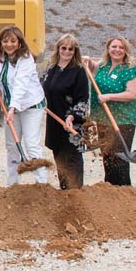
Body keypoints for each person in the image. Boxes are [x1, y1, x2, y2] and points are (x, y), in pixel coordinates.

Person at [0, 25, 49, 186]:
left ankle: (42, 184)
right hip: (10, 107)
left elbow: (20, 85)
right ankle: (13, 184)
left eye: (13, 41)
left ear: (19, 43)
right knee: (12, 146)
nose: (9, 44)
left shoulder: (26, 59)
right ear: (0, 43)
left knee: (31, 145)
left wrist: (12, 108)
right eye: (5, 41)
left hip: (30, 106)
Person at [88, 36, 136, 186]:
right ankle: (110, 191)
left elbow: (132, 94)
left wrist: (109, 96)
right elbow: (91, 67)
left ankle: (124, 192)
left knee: (119, 160)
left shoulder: (130, 70)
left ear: (126, 51)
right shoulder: (103, 66)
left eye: (121, 47)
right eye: (114, 47)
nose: (117, 50)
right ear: (108, 49)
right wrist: (88, 61)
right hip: (103, 118)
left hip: (123, 120)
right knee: (107, 157)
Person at [41, 33, 90, 190]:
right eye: (64, 48)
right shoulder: (51, 68)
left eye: (71, 49)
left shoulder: (78, 71)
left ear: (75, 51)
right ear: (58, 49)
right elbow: (41, 88)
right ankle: (65, 191)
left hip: (71, 124)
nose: (67, 52)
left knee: (72, 159)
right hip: (54, 122)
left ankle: (75, 193)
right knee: (60, 158)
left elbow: (83, 99)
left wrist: (72, 116)